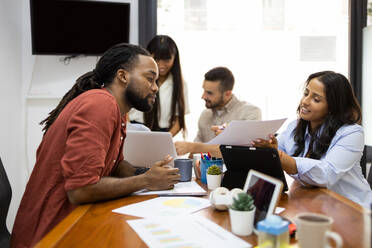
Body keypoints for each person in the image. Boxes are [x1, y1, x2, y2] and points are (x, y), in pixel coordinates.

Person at [11, 43, 180, 247]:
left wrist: (147, 173)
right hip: (50, 234)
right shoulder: (100, 105)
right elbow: (80, 189)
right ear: (123, 76)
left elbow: (115, 164)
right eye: (150, 78)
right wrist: (146, 180)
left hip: (73, 222)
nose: (155, 87)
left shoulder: (117, 110)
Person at [251, 71, 372, 208]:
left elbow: (326, 175)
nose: (305, 101)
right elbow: (276, 153)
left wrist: (280, 157)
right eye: (306, 93)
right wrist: (266, 147)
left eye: (316, 99)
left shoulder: (352, 133)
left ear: (333, 107)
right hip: (315, 203)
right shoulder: (294, 127)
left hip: (352, 208)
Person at [175, 66, 261, 156]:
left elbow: (241, 153)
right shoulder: (205, 115)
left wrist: (193, 147)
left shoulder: (250, 113)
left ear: (227, 93)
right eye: (203, 90)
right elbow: (194, 155)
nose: (203, 96)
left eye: (209, 93)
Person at [129, 35, 189, 136]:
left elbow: (179, 120)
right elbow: (125, 110)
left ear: (174, 58)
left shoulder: (180, 84)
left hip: (163, 134)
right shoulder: (136, 78)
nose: (161, 65)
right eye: (156, 59)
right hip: (134, 130)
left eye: (166, 60)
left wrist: (164, 139)